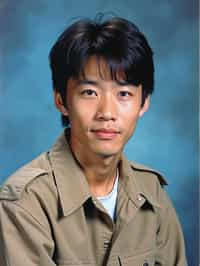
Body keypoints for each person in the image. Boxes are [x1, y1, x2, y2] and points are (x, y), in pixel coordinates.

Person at [0, 15, 187, 266]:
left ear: (143, 103)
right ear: (61, 100)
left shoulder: (151, 192)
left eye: (124, 93)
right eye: (89, 92)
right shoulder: (26, 203)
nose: (107, 112)